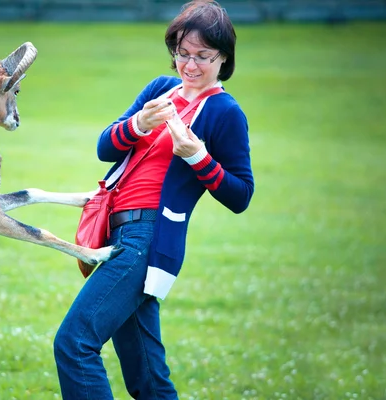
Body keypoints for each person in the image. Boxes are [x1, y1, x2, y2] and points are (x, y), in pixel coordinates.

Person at [53, 1, 254, 398]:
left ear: (223, 58)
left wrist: (198, 158)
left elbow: (241, 195)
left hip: (148, 240)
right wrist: (137, 124)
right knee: (147, 375)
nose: (189, 65)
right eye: (181, 53)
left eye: (202, 56)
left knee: (74, 344)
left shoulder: (226, 112)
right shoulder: (160, 90)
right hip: (115, 231)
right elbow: (104, 147)